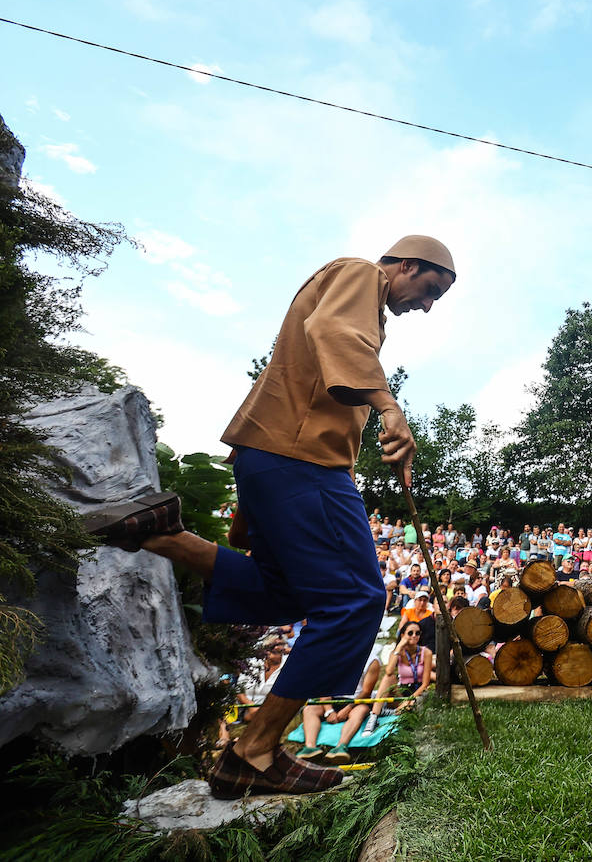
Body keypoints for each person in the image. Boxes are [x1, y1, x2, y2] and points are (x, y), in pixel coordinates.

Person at [84, 236, 456, 795]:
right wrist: (390, 410)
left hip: (275, 459)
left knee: (287, 595)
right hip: (302, 461)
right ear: (407, 265)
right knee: (356, 600)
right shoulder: (359, 274)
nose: (426, 305)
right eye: (430, 289)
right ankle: (254, 751)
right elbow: (334, 335)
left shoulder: (350, 289)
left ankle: (162, 535)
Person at [362, 620, 434, 736]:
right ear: (403, 635)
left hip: (417, 692)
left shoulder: (426, 653)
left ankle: (392, 712)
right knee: (388, 678)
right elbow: (389, 671)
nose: (414, 636)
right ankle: (374, 716)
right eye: (410, 633)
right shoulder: (397, 652)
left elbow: (425, 684)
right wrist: (399, 646)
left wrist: (408, 700)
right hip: (401, 690)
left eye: (417, 633)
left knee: (410, 706)